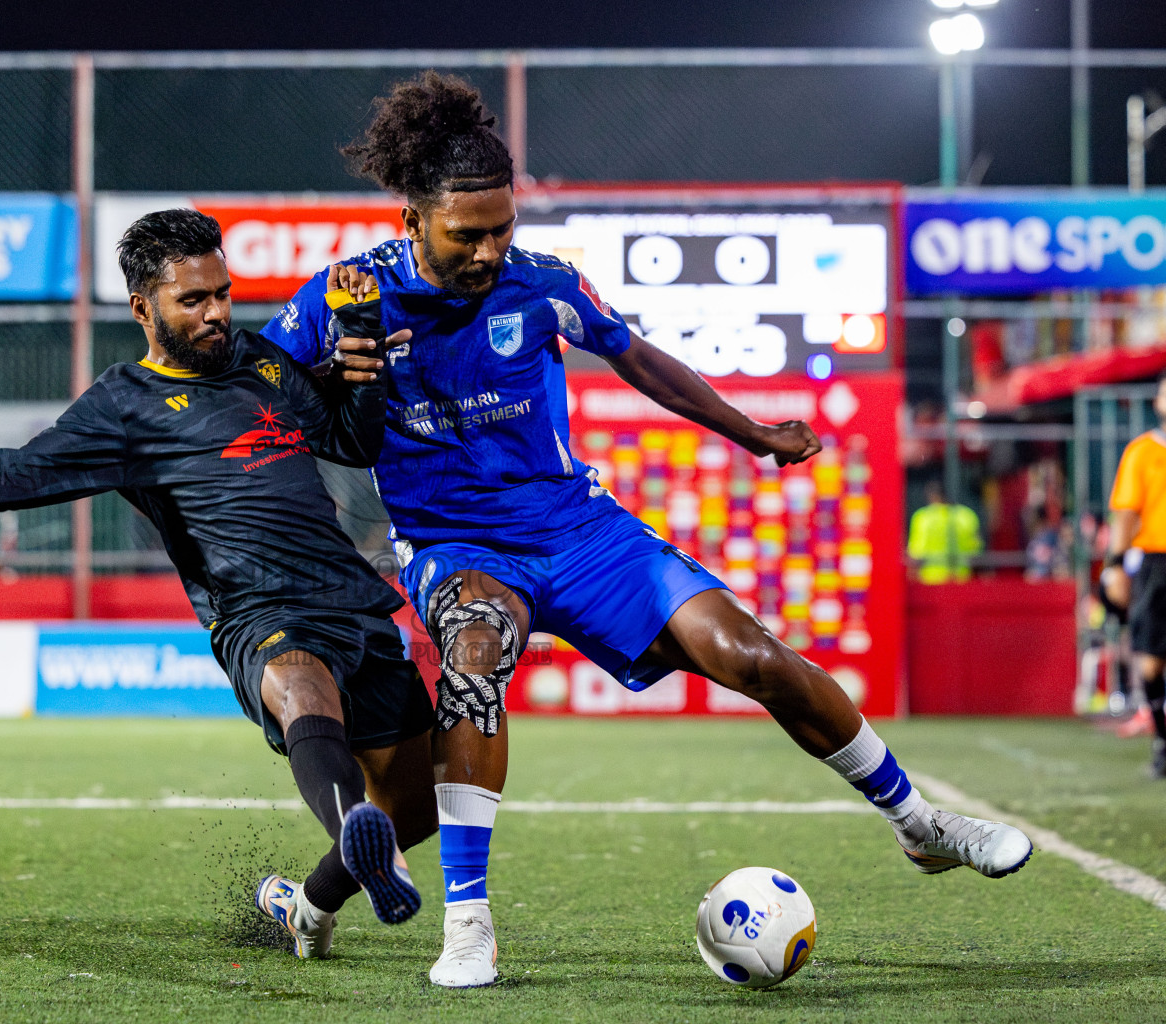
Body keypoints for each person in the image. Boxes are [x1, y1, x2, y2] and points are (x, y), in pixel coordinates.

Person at [264, 72, 1034, 988]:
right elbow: (259, 383)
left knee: (751, 655)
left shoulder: (541, 286)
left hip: (583, 532)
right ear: (412, 223)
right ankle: (469, 926)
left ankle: (922, 829)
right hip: (457, 546)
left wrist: (752, 433)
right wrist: (325, 380)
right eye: (467, 234)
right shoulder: (346, 297)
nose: (489, 250)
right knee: (474, 656)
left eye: (503, 227)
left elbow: (642, 361)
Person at [0, 209, 434, 959]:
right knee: (301, 689)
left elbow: (350, 440)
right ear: (143, 308)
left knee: (414, 808)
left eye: (222, 293)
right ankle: (352, 823)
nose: (216, 312)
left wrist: (362, 357)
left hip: (348, 596)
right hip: (255, 610)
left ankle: (309, 905)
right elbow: (12, 475)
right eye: (193, 300)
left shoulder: (261, 361)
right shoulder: (124, 406)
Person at [1101, 373, 1166, 778]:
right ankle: (1162, 741)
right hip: (1156, 563)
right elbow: (1125, 514)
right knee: (1151, 659)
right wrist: (1115, 567)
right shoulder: (1143, 452)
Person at [906, 478, 983, 584]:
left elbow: (916, 553)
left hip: (930, 584)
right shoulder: (967, 516)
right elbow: (976, 551)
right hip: (961, 581)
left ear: (932, 496)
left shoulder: (922, 518)